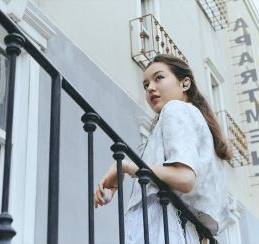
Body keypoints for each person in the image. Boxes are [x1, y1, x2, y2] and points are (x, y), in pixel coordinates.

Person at [94, 54, 232, 243]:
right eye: (145, 84)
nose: (150, 87)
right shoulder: (195, 121)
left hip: (163, 227)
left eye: (159, 78)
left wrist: (126, 167)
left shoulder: (175, 109)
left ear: (185, 84)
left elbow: (184, 178)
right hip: (176, 229)